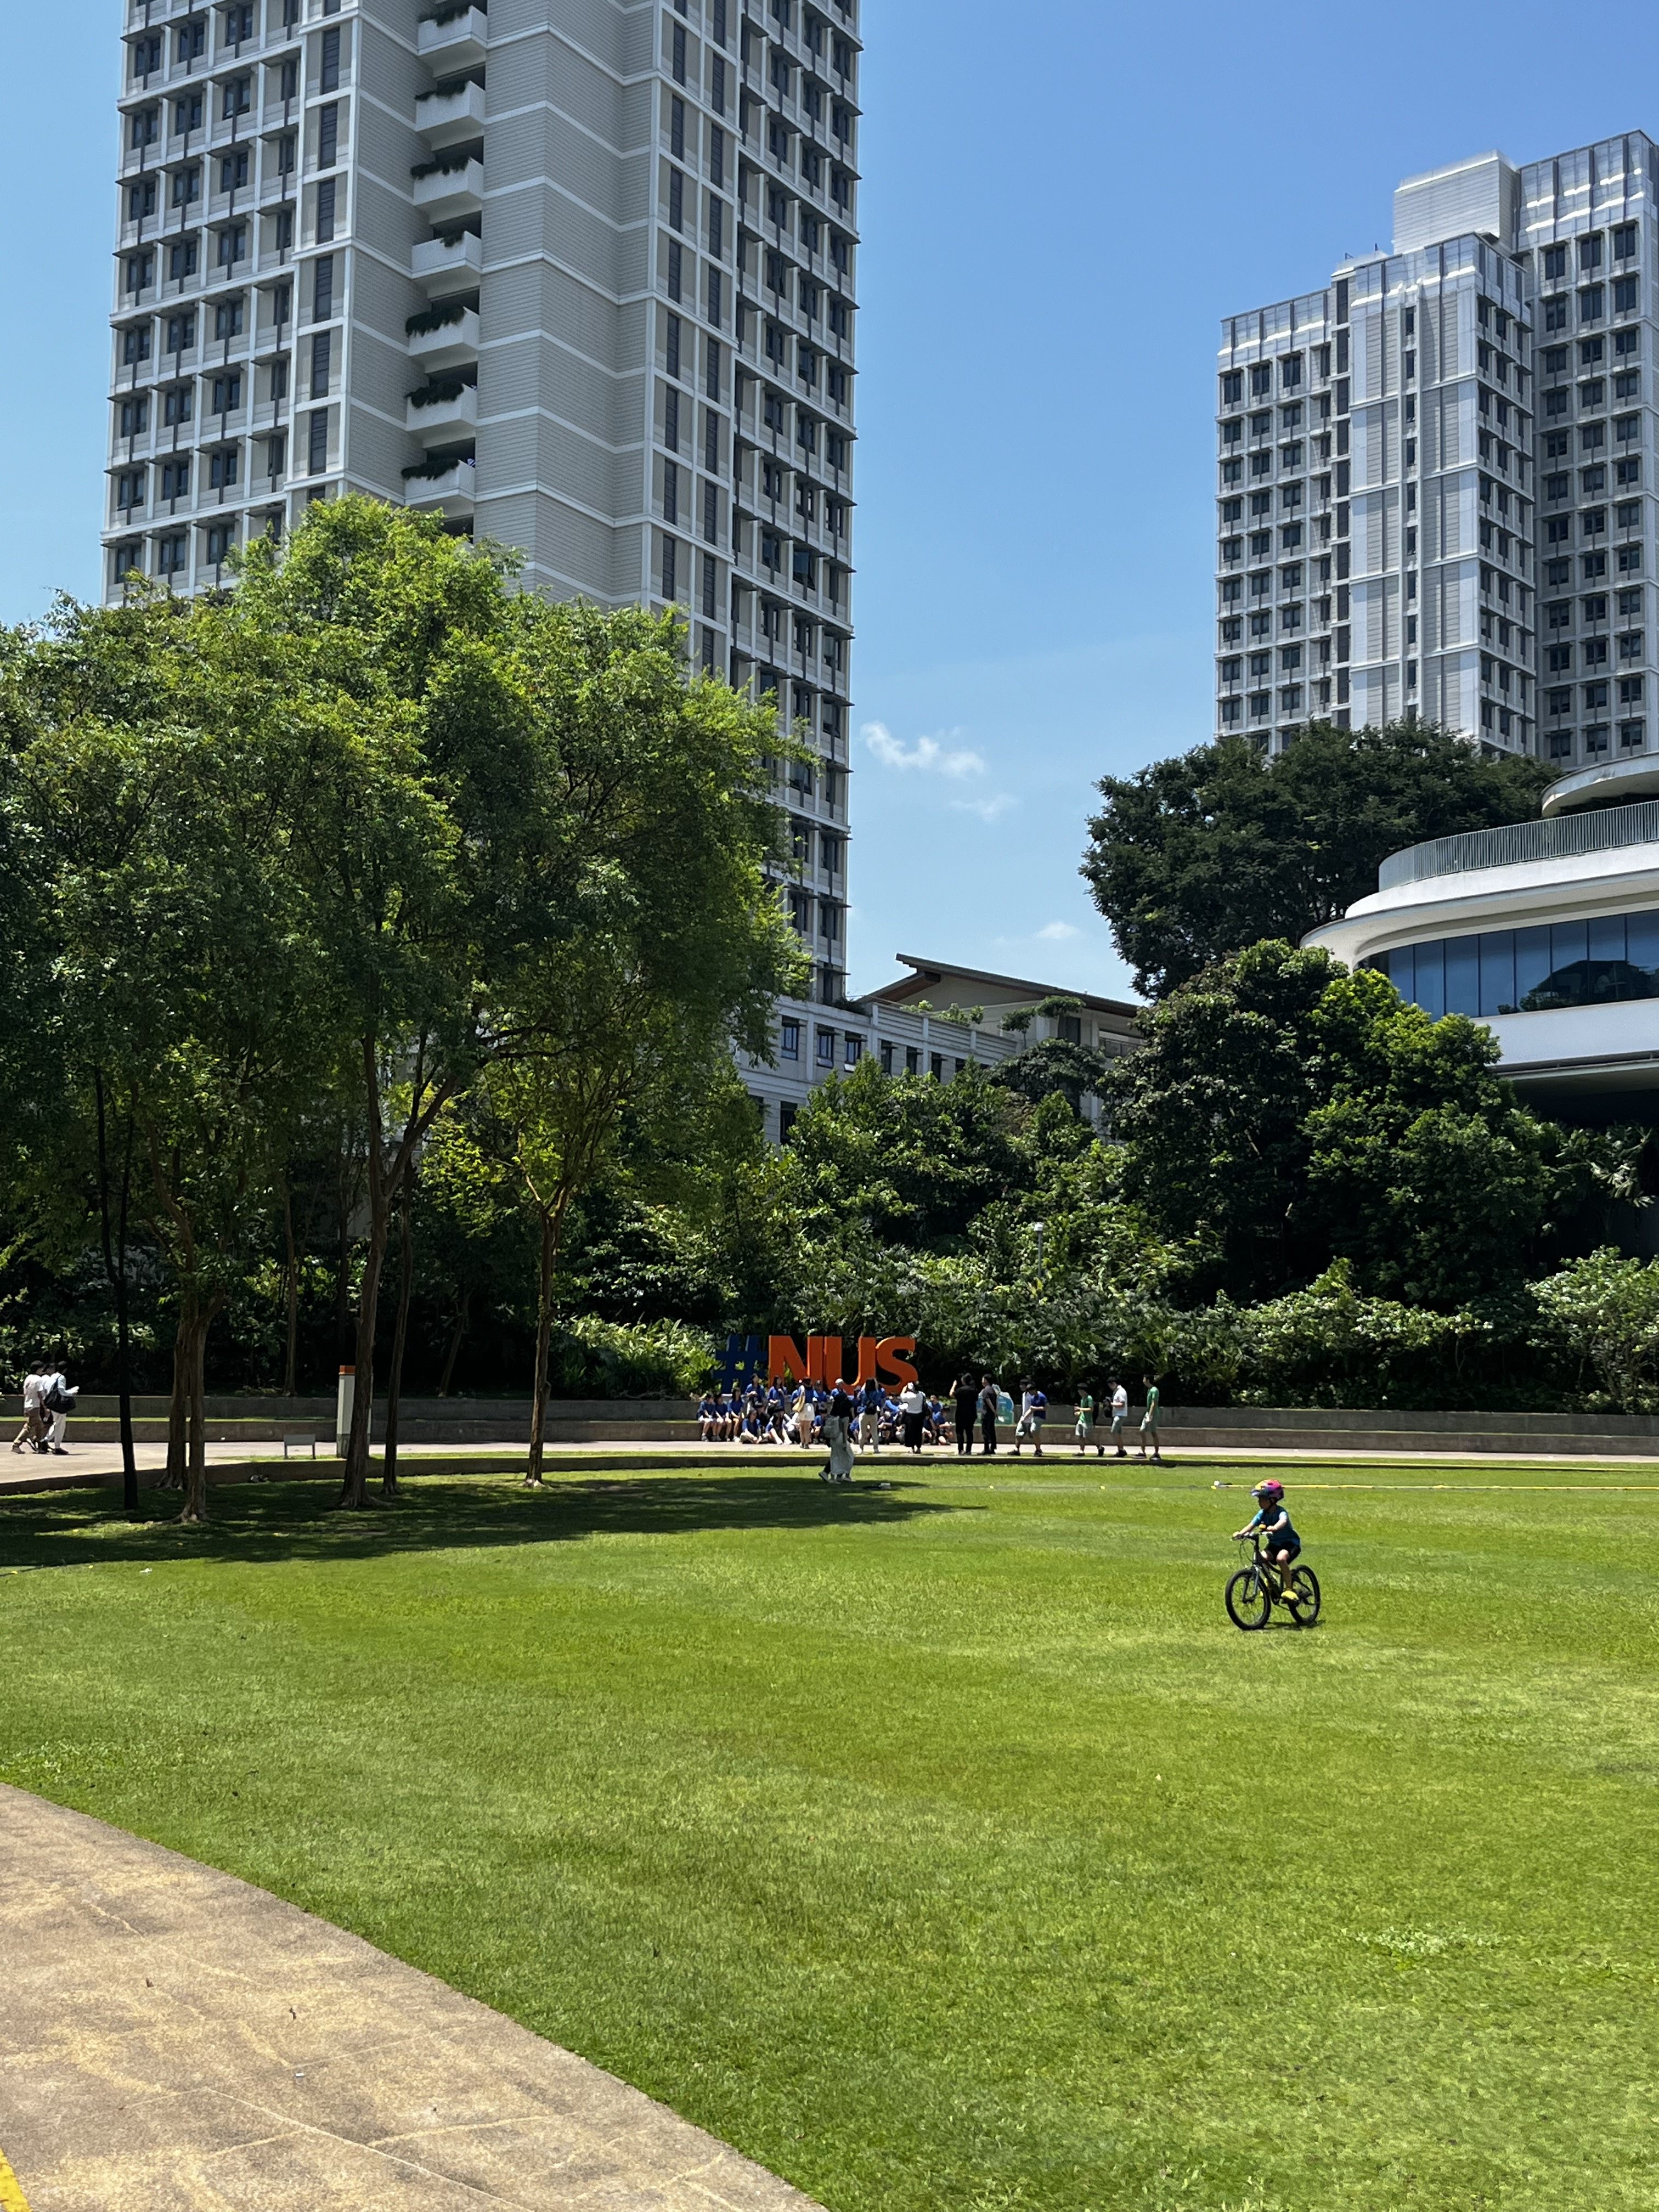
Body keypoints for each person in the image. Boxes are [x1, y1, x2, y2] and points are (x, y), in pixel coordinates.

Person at [1235, 1479, 1301, 1592]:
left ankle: (1289, 1589)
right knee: (1260, 1558)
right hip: (1274, 1544)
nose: (1259, 1502)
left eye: (1263, 1499)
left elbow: (1283, 1521)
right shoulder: (1262, 1514)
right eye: (1259, 1499)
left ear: (1273, 1500)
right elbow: (1251, 1525)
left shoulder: (1281, 1512)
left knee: (1281, 1559)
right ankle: (1270, 1581)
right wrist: (1241, 1533)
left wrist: (1275, 1528)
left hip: (1290, 1544)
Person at [820, 1377, 857, 1484]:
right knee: (849, 1456)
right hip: (841, 1438)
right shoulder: (845, 1416)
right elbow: (845, 1430)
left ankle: (838, 1476)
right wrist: (847, 1441)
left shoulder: (832, 1415)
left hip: (833, 1438)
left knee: (836, 1456)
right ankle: (839, 1476)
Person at [11, 1363, 46, 1455]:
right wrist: (44, 1406)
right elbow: (39, 1394)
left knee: (39, 1425)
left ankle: (38, 1443)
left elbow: (25, 1392)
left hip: (28, 1405)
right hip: (34, 1405)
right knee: (29, 1426)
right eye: (41, 1369)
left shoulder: (28, 1378)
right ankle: (17, 1443)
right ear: (38, 1369)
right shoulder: (38, 1379)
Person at [1013, 1379, 1047, 1457]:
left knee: (1033, 1434)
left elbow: (1033, 1408)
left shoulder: (1032, 1396)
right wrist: (1023, 1417)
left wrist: (1028, 1415)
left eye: (1022, 1385)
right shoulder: (1024, 1395)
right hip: (1024, 1418)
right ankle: (1016, 1449)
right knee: (1019, 1433)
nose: (1020, 1386)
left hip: (1031, 1419)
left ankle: (1038, 1450)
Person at [898, 1378, 927, 1454]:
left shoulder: (910, 1396)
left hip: (910, 1415)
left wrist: (905, 1388)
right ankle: (918, 1448)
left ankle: (911, 1448)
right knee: (918, 1432)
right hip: (919, 1416)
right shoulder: (922, 1395)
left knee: (910, 1432)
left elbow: (902, 1397)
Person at [953, 1372, 979, 1458]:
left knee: (960, 1432)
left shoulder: (961, 1390)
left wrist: (954, 1385)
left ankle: (961, 1450)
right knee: (969, 1433)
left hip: (961, 1414)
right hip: (971, 1414)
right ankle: (969, 1450)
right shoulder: (974, 1390)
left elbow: (952, 1394)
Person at [857, 1375, 884, 1454]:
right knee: (874, 1432)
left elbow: (858, 1398)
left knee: (863, 1432)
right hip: (873, 1414)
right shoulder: (877, 1392)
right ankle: (876, 1449)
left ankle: (861, 1449)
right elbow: (879, 1401)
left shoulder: (863, 1392)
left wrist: (863, 1388)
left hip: (864, 1413)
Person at [1139, 1375, 1163, 1464]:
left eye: (1144, 1379)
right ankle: (1142, 1451)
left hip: (1153, 1414)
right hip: (1148, 1413)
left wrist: (1150, 1415)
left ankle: (1156, 1453)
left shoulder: (1155, 1390)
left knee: (1153, 1432)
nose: (1143, 1380)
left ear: (1148, 1380)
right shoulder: (1149, 1390)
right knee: (1142, 1431)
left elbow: (1154, 1403)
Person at [1074, 1386, 1100, 1457]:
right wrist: (1079, 1413)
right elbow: (1082, 1410)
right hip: (1081, 1420)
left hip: (1087, 1421)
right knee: (1080, 1436)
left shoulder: (1089, 1398)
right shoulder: (1082, 1399)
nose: (1079, 1393)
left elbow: (1091, 1409)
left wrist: (1080, 1409)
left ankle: (1099, 1447)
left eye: (1080, 1391)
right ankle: (1081, 1450)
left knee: (1088, 1437)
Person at [978, 1374, 999, 1456]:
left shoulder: (985, 1391)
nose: (982, 1381)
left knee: (986, 1432)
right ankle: (993, 1448)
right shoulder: (993, 1390)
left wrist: (993, 1410)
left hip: (986, 1413)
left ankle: (986, 1449)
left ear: (986, 1380)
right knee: (992, 1431)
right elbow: (997, 1401)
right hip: (992, 1414)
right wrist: (996, 1411)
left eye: (983, 1379)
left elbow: (988, 1401)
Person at [1109, 1380, 1131, 1458]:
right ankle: (1120, 1450)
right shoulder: (1117, 1391)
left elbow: (1122, 1404)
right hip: (1117, 1415)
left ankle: (1121, 1450)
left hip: (1120, 1415)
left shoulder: (1121, 1391)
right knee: (1118, 1433)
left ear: (1113, 1384)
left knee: (1114, 1432)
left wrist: (1111, 1404)